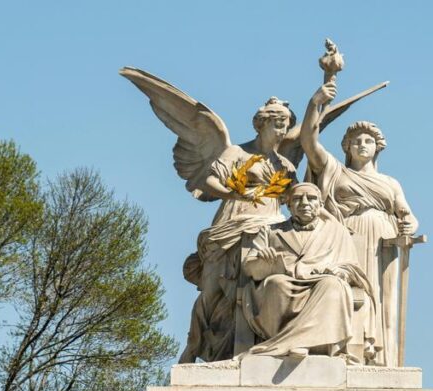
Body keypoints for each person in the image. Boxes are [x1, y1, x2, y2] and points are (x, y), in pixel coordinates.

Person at [300, 81, 419, 365]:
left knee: (384, 299)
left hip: (385, 240)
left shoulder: (390, 183)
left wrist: (409, 226)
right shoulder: (335, 171)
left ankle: (381, 358)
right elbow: (308, 142)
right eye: (356, 141)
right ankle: (347, 350)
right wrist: (314, 104)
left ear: (378, 147)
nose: (362, 145)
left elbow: (408, 214)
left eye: (368, 141)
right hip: (349, 237)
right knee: (353, 294)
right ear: (347, 147)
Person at [178, 98, 298, 362]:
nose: (282, 131)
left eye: (286, 125)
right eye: (278, 124)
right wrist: (232, 194)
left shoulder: (285, 165)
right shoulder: (237, 153)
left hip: (269, 225)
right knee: (212, 290)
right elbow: (208, 179)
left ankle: (248, 346)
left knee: (254, 287)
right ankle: (195, 344)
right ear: (261, 124)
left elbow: (298, 197)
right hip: (233, 222)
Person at [242, 182, 372, 360]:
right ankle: (289, 341)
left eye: (311, 198)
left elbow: (352, 267)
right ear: (288, 205)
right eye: (297, 199)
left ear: (320, 204)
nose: (304, 202)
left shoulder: (337, 232)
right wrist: (261, 262)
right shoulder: (270, 231)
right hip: (283, 282)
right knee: (276, 283)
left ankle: (298, 343)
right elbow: (249, 268)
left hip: (320, 281)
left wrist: (339, 271)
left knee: (333, 285)